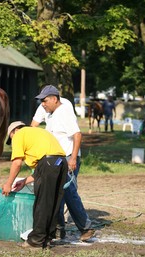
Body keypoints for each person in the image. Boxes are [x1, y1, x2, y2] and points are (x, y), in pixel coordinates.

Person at [31, 85, 95, 242]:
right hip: (57, 159)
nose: (43, 104)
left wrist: (73, 158)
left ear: (54, 99)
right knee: (56, 193)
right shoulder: (51, 114)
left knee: (68, 192)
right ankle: (58, 229)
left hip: (67, 158)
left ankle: (85, 228)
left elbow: (77, 135)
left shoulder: (64, 112)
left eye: (45, 101)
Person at [2, 121, 68, 249]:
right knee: (53, 203)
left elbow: (17, 163)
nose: (13, 141)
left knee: (42, 204)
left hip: (48, 163)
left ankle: (36, 241)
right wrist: (24, 181)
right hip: (61, 162)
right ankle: (47, 238)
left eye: (11, 137)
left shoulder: (19, 135)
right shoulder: (38, 132)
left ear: (14, 131)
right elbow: (43, 168)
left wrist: (8, 184)